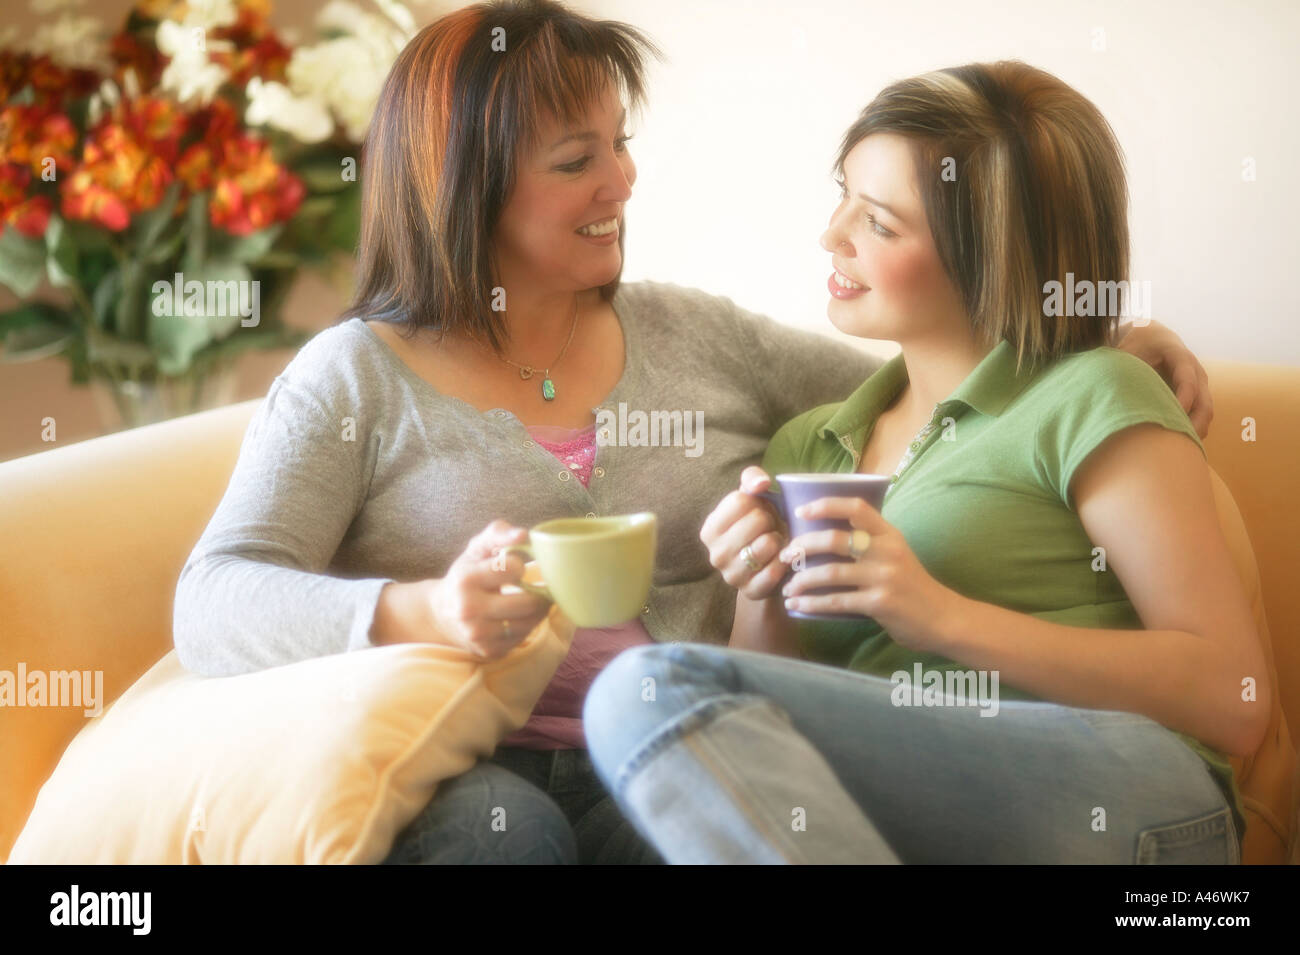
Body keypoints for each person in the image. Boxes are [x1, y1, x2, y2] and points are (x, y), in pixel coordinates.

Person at [172, 2, 1214, 864]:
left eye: (620, 145)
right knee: (503, 839)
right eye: (577, 160)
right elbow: (215, 597)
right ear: (464, 187)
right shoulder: (354, 377)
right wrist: (423, 608)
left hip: (680, 745)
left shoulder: (698, 336)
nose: (621, 182)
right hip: (470, 755)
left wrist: (1099, 336)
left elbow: (939, 395)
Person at [583, 59, 1270, 864]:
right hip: (921, 818)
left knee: (641, 689)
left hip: (1137, 802)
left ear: (993, 259)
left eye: (878, 222)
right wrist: (758, 590)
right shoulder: (814, 445)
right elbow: (759, 745)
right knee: (644, 760)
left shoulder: (1095, 393)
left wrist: (942, 616)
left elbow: (1235, 695)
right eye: (844, 195)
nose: (832, 234)